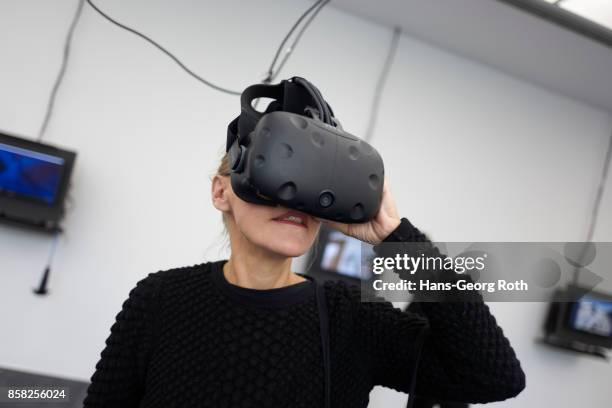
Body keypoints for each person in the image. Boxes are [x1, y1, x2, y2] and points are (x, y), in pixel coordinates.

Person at [83, 99, 525, 408]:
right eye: (276, 177)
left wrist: (397, 238)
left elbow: (492, 376)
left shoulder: (350, 318)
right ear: (223, 191)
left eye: (310, 187)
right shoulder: (161, 298)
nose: (293, 200)